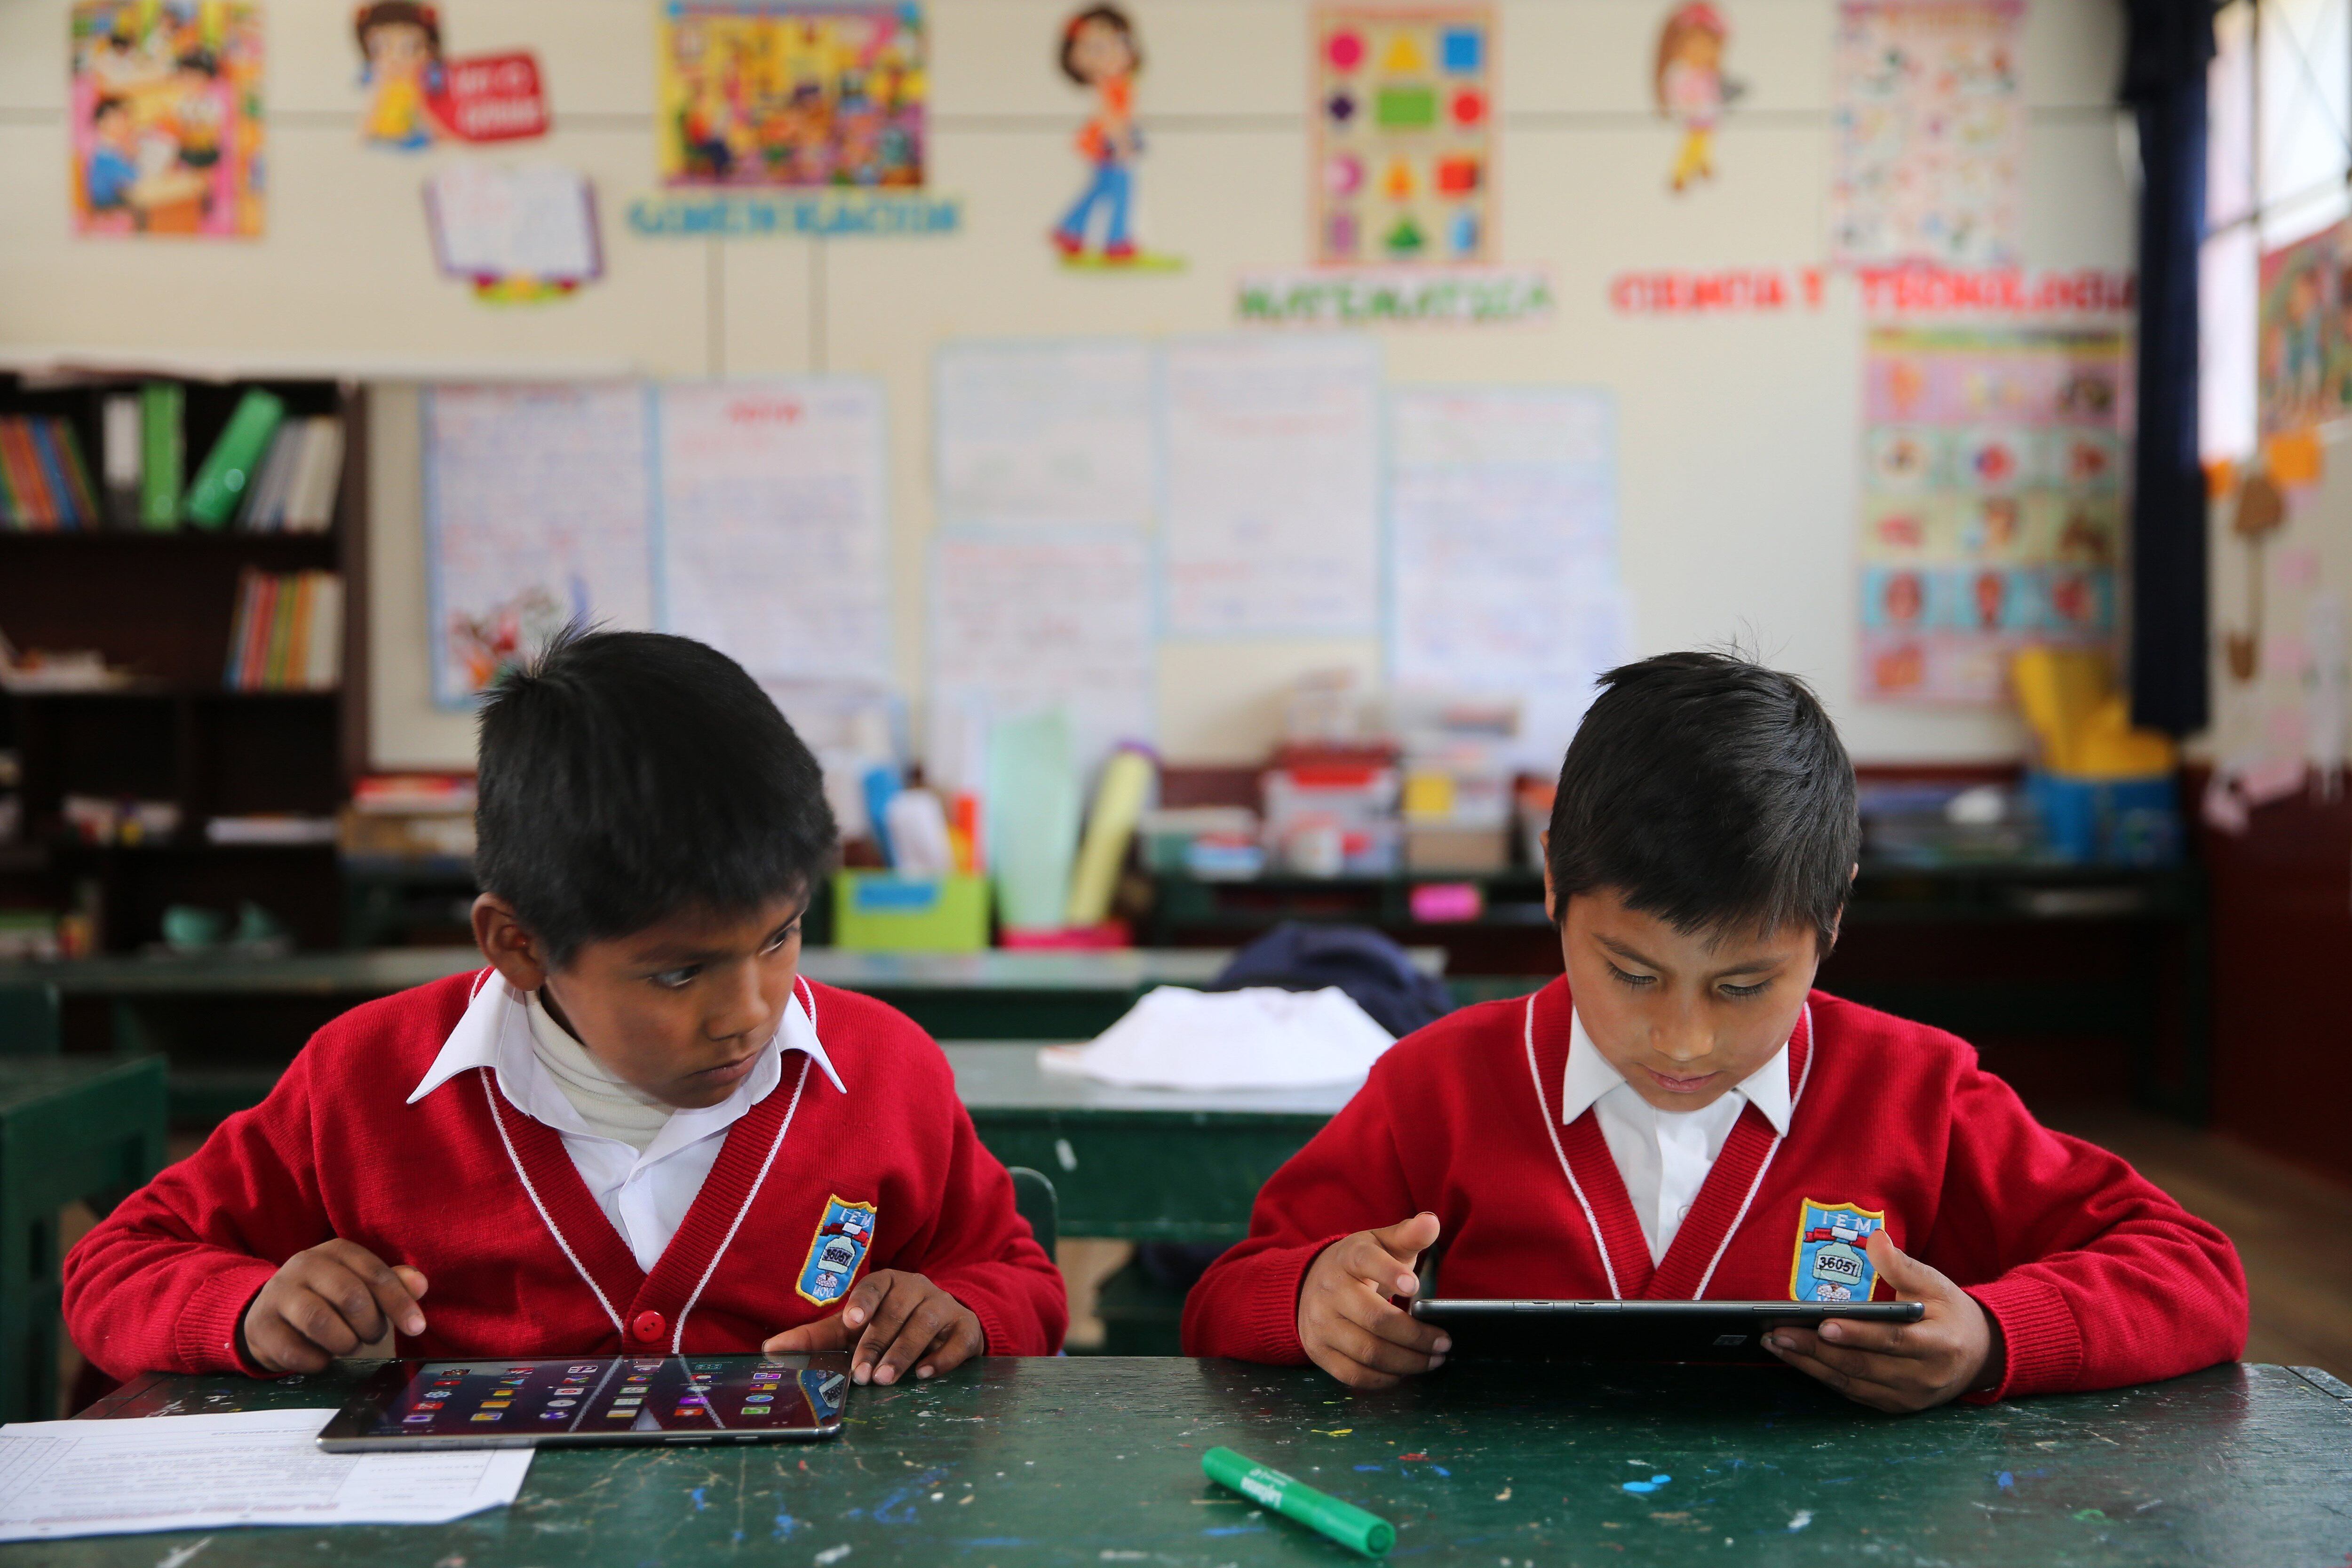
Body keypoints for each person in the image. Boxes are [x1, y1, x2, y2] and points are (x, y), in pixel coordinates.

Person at [1182, 651, 2245, 1411]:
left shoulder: (1915, 1092)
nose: (1682, 1039)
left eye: (1744, 985)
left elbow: (2193, 1270)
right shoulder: (1438, 1087)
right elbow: (1227, 1295)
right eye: (1630, 971)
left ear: (1833, 918)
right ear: (1553, 881)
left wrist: (1996, 1337)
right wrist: (1316, 1298)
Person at [65, 629, 1066, 1387]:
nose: (750, 1011)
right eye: (679, 973)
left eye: (780, 936)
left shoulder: (883, 1069)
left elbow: (1014, 1272)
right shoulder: (367, 1080)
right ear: (519, 944)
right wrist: (249, 1306)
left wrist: (962, 1312)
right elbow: (115, 1265)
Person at [1051, 5, 1144, 263]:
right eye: (1096, 48)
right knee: (1122, 189)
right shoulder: (1109, 87)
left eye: (1119, 43)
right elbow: (1111, 118)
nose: (1112, 54)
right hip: (1109, 143)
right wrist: (1122, 143)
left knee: (1102, 188)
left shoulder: (1120, 83)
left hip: (1111, 141)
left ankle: (1069, 230)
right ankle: (1116, 240)